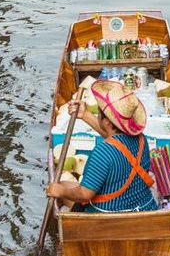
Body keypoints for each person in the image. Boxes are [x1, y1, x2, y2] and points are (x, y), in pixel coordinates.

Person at [45, 80, 157, 215]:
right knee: (63, 185)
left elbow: (84, 194)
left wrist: (61, 191)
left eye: (99, 113)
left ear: (107, 122)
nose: (97, 115)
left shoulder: (103, 151)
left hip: (108, 216)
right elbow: (116, 141)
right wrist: (85, 114)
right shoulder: (141, 139)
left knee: (61, 188)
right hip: (144, 207)